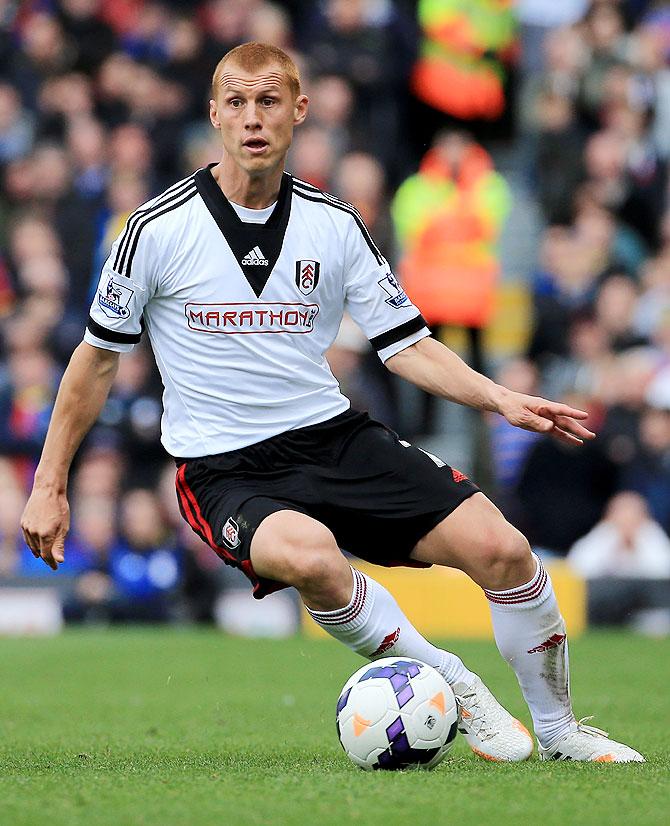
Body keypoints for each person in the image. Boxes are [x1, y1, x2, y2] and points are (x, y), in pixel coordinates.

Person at [21, 42, 643, 764]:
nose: (254, 119)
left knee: (503, 551)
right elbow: (95, 361)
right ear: (215, 113)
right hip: (224, 469)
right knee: (313, 559)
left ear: (299, 112)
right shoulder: (155, 230)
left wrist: (499, 398)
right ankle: (455, 683)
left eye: (270, 101)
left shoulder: (333, 223)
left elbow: (406, 344)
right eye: (239, 102)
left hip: (332, 436)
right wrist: (49, 482)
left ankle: (563, 730)